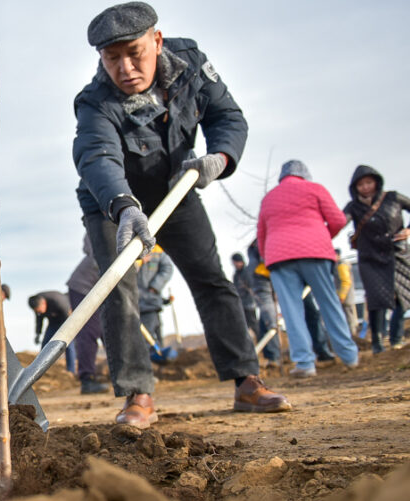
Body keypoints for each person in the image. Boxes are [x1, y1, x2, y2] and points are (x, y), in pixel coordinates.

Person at [72, 2, 289, 427]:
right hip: (113, 202)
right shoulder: (95, 101)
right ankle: (137, 394)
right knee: (119, 289)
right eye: (112, 58)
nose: (125, 68)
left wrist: (220, 158)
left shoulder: (190, 65)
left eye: (134, 53)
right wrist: (124, 206)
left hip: (177, 187)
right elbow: (97, 157)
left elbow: (227, 116)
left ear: (157, 40)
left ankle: (246, 381)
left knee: (211, 279)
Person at [257, 160, 358, 377]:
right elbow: (338, 220)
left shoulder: (269, 198)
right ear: (305, 174)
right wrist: (321, 237)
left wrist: (268, 256)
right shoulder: (315, 189)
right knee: (329, 303)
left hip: (279, 257)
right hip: (316, 253)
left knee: (292, 311)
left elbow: (261, 235)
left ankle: (304, 363)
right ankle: (349, 356)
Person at [343, 165, 410, 353]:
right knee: (377, 299)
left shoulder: (393, 198)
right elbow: (341, 220)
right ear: (355, 187)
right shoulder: (353, 207)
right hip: (370, 258)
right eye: (360, 184)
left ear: (376, 182)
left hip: (396, 252)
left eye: (369, 182)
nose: (365, 187)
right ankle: (377, 343)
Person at [66, 238, 111, 394]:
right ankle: (87, 379)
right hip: (83, 288)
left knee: (109, 331)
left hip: (101, 291)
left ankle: (122, 373)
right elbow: (92, 245)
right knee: (88, 332)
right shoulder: (111, 230)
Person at [247, 242, 283, 367]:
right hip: (263, 277)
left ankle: (273, 355)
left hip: (267, 277)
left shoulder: (256, 246)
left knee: (267, 318)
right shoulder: (260, 244)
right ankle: (273, 356)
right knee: (269, 319)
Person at [28, 289, 76, 374]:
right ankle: (40, 368)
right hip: (53, 322)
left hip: (65, 320)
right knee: (45, 343)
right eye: (37, 311)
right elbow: (39, 320)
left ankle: (71, 371)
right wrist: (38, 334)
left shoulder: (58, 301)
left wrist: (70, 331)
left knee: (69, 345)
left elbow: (70, 317)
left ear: (44, 303)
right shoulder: (36, 302)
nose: (39, 312)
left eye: (40, 310)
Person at [136, 246, 173, 345]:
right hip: (138, 306)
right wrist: (138, 263)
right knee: (146, 340)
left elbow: (168, 268)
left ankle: (159, 351)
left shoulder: (157, 250)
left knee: (155, 339)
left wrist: (155, 287)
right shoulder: (130, 249)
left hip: (152, 304)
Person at [231, 253, 259, 339]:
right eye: (234, 263)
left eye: (236, 262)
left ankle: (262, 341)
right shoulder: (236, 275)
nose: (235, 264)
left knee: (254, 324)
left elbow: (251, 287)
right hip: (241, 305)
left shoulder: (247, 272)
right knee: (244, 326)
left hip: (249, 304)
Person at [333, 249, 360, 335]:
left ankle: (353, 336)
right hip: (345, 297)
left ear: (338, 255)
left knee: (349, 318)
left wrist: (341, 296)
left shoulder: (341, 265)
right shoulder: (338, 265)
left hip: (345, 298)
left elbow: (345, 282)